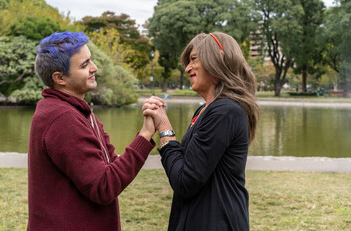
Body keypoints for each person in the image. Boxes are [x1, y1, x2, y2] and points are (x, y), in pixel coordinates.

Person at [27, 31, 158, 231]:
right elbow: (104, 187)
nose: (94, 68)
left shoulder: (79, 113)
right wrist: (145, 136)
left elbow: (112, 170)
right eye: (84, 65)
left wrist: (145, 131)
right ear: (59, 78)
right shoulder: (61, 118)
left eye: (91, 61)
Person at [143, 32, 259, 231]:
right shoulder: (206, 110)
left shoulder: (225, 111)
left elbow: (185, 181)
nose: (187, 68)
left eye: (194, 59)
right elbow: (189, 168)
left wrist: (164, 129)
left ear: (217, 61)